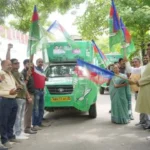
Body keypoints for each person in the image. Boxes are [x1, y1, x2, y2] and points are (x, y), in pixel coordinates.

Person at [6, 44, 32, 139]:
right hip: (16, 97)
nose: (18, 64)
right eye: (15, 63)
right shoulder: (10, 72)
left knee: (20, 116)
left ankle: (19, 132)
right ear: (11, 65)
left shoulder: (20, 73)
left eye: (18, 63)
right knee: (16, 117)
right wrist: (9, 49)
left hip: (22, 97)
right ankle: (16, 133)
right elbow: (7, 59)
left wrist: (28, 96)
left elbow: (24, 85)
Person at [0, 60, 20, 149]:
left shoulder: (10, 74)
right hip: (5, 100)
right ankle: (4, 140)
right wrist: (9, 92)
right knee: (4, 121)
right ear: (2, 65)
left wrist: (16, 88)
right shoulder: (1, 74)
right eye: (8, 65)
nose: (10, 66)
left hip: (13, 99)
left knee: (11, 119)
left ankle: (10, 136)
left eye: (10, 65)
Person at [135, 58, 150, 139]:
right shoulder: (145, 66)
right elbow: (131, 70)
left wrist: (140, 81)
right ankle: (144, 122)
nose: (148, 51)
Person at [22, 59, 37, 134]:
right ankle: (27, 128)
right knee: (28, 112)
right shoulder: (24, 73)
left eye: (31, 64)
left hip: (32, 93)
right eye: (29, 64)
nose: (31, 65)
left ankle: (29, 126)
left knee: (30, 112)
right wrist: (28, 96)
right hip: (28, 94)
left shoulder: (30, 73)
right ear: (24, 64)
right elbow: (24, 85)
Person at [32, 58, 47, 130]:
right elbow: (31, 61)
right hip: (36, 91)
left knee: (41, 108)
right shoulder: (34, 69)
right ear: (36, 63)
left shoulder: (43, 71)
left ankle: (39, 123)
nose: (40, 63)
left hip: (42, 91)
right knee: (36, 109)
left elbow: (42, 78)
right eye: (39, 62)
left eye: (42, 62)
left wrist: (45, 78)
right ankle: (35, 125)